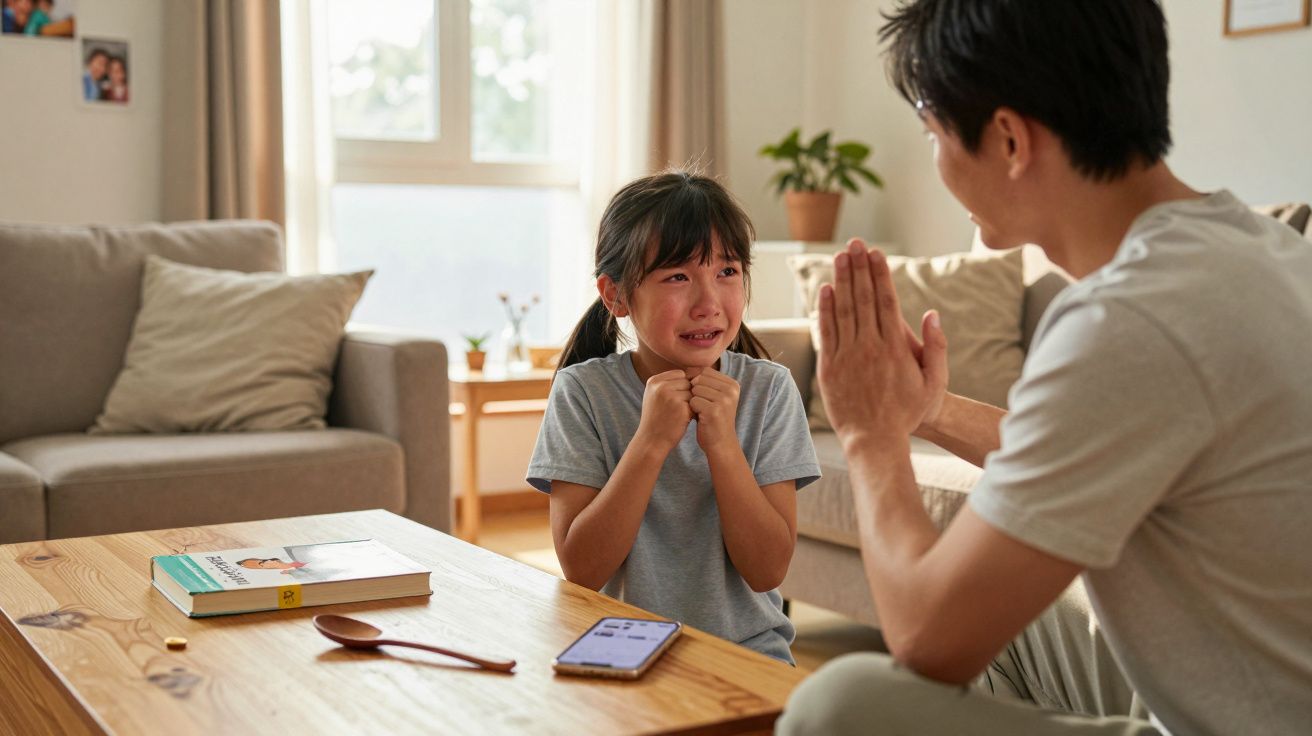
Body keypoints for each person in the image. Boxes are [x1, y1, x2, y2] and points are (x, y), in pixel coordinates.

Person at [778, 0, 1312, 734]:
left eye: (934, 132)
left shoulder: (1129, 321)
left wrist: (871, 436)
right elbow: (1094, 445)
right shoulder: (1261, 249)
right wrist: (926, 412)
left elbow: (928, 638)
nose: (935, 159)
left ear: (1007, 139)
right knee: (1007, 611)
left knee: (835, 708)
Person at [526, 171, 821, 664]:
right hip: (620, 648)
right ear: (615, 295)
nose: (709, 304)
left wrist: (723, 445)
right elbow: (581, 568)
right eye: (678, 277)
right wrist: (651, 441)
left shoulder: (769, 390)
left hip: (749, 654)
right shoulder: (583, 392)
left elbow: (768, 570)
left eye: (727, 272)